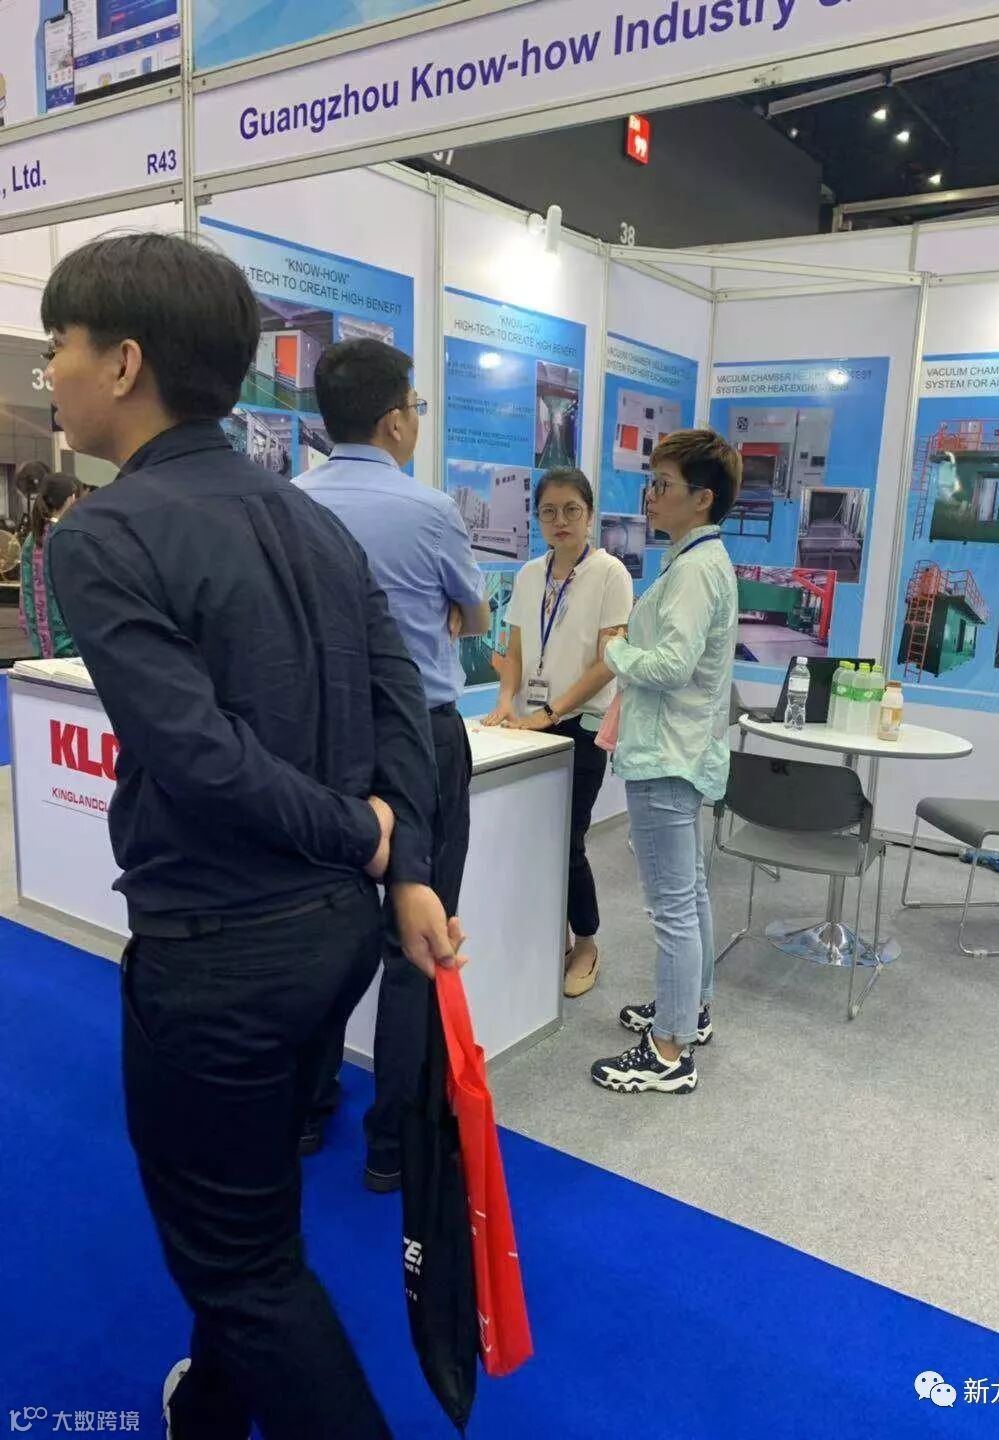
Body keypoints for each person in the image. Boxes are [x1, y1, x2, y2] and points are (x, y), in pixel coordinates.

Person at [44, 231, 462, 1440]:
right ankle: (213, 1412)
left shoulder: (101, 535)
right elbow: (406, 703)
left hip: (220, 956)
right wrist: (398, 858)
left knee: (240, 1267)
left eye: (60, 347)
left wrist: (375, 843)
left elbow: (198, 757)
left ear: (125, 363)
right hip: (331, 941)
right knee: (251, 1210)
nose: (51, 374)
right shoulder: (308, 517)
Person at [297, 337, 488, 1185]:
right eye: (414, 406)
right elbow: (475, 617)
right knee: (420, 933)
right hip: (420, 739)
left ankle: (306, 1111)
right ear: (394, 421)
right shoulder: (430, 510)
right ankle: (393, 1144)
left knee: (322, 926)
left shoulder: (290, 502)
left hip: (322, 746)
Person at [591, 429, 740, 1097]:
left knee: (673, 908)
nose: (650, 497)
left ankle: (669, 1052)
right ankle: (690, 1010)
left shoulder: (695, 571)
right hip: (682, 750)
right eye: (651, 483)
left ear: (702, 498)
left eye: (663, 485)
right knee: (691, 895)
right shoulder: (698, 561)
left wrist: (616, 650)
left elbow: (672, 667)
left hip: (665, 755)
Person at [484, 468, 633, 996]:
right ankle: (554, 935)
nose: (560, 520)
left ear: (589, 515)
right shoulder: (529, 574)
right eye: (548, 511)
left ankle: (586, 941)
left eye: (572, 509)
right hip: (530, 723)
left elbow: (608, 662)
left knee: (567, 839)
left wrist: (550, 713)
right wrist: (505, 701)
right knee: (532, 837)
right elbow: (516, 650)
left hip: (580, 726)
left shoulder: (610, 573)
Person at [19, 472, 78, 658]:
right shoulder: (68, 536)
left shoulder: (32, 538)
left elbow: (25, 590)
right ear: (70, 499)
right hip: (69, 640)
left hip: (39, 638)